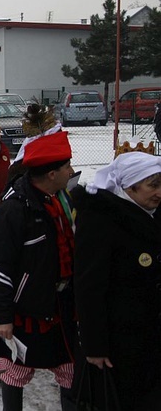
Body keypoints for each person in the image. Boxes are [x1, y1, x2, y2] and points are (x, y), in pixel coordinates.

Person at [0, 130, 77, 410]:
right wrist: (3, 317)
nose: (71, 172)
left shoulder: (60, 199)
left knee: (70, 369)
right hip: (27, 308)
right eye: (66, 167)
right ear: (51, 174)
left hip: (60, 304)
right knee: (15, 371)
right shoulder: (14, 211)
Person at [72, 150, 161, 410]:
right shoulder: (102, 220)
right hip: (120, 340)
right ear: (129, 186)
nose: (159, 192)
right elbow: (89, 288)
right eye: (152, 186)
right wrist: (94, 346)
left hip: (151, 333)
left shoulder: (153, 213)